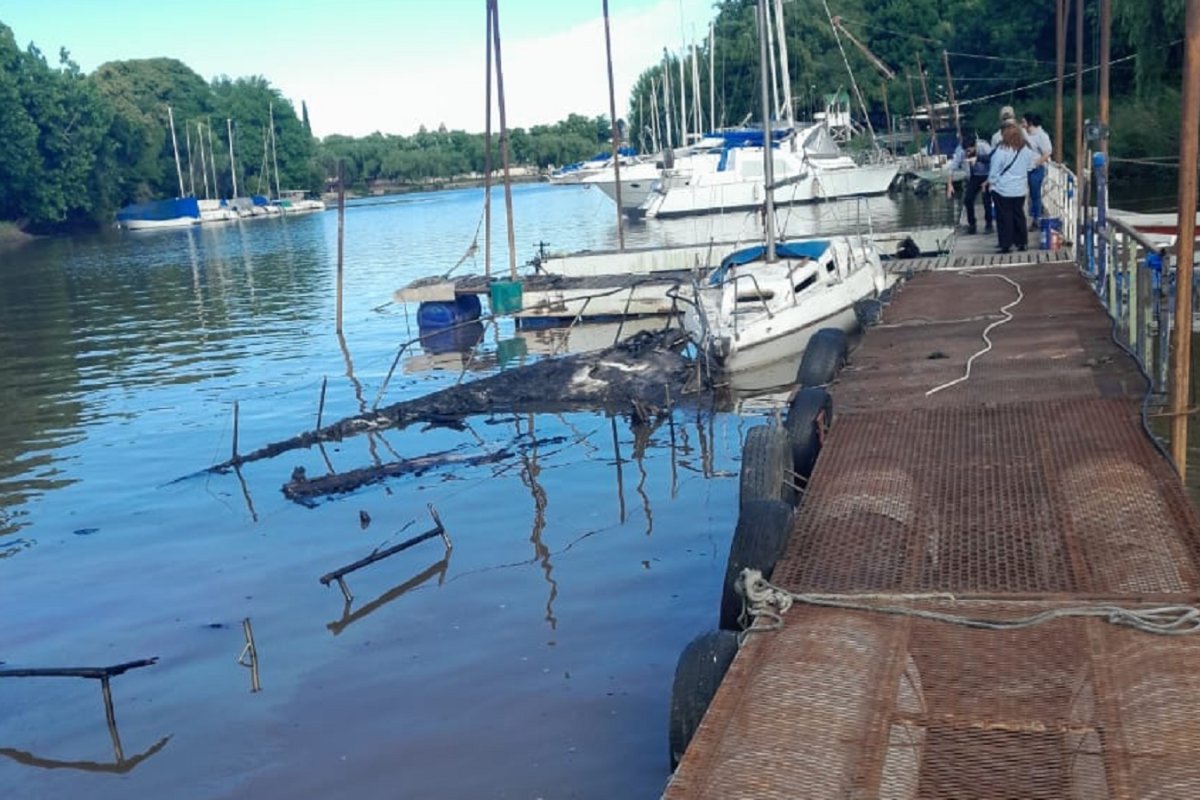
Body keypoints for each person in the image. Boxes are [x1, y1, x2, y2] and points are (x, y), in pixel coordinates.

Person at [985, 118, 1036, 253]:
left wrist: (991, 183)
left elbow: (994, 171)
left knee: (1004, 217)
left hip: (1003, 189)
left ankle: (1006, 244)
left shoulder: (1001, 151)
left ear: (1003, 134)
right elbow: (1031, 166)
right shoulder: (1026, 149)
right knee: (1019, 215)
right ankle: (1022, 243)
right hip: (1020, 188)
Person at [945, 127, 993, 234]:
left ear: (974, 146)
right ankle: (972, 224)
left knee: (986, 199)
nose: (968, 153)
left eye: (970, 151)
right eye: (966, 151)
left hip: (988, 174)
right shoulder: (961, 151)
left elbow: (994, 162)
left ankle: (989, 224)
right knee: (968, 199)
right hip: (974, 176)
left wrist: (989, 181)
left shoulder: (984, 146)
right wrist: (950, 185)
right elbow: (951, 168)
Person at [1022, 111, 1053, 230]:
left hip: (1036, 169)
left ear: (1030, 123)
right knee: (1026, 195)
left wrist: (1036, 163)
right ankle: (1029, 217)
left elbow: (1047, 152)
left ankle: (1036, 219)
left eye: (1024, 121)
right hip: (1025, 168)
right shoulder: (1025, 133)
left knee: (1035, 194)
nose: (1022, 124)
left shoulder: (1041, 135)